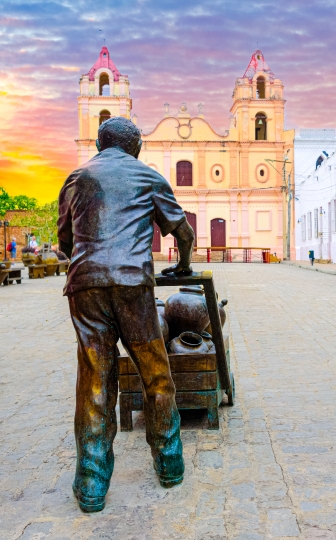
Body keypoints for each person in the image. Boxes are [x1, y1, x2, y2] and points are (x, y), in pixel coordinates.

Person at [58, 116, 194, 513]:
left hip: (85, 287)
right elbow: (182, 232)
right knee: (155, 373)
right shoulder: (147, 176)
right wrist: (183, 266)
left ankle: (91, 485)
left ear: (101, 145)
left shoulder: (75, 177)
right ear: (136, 147)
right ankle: (169, 464)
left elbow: (65, 241)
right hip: (133, 286)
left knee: (94, 381)